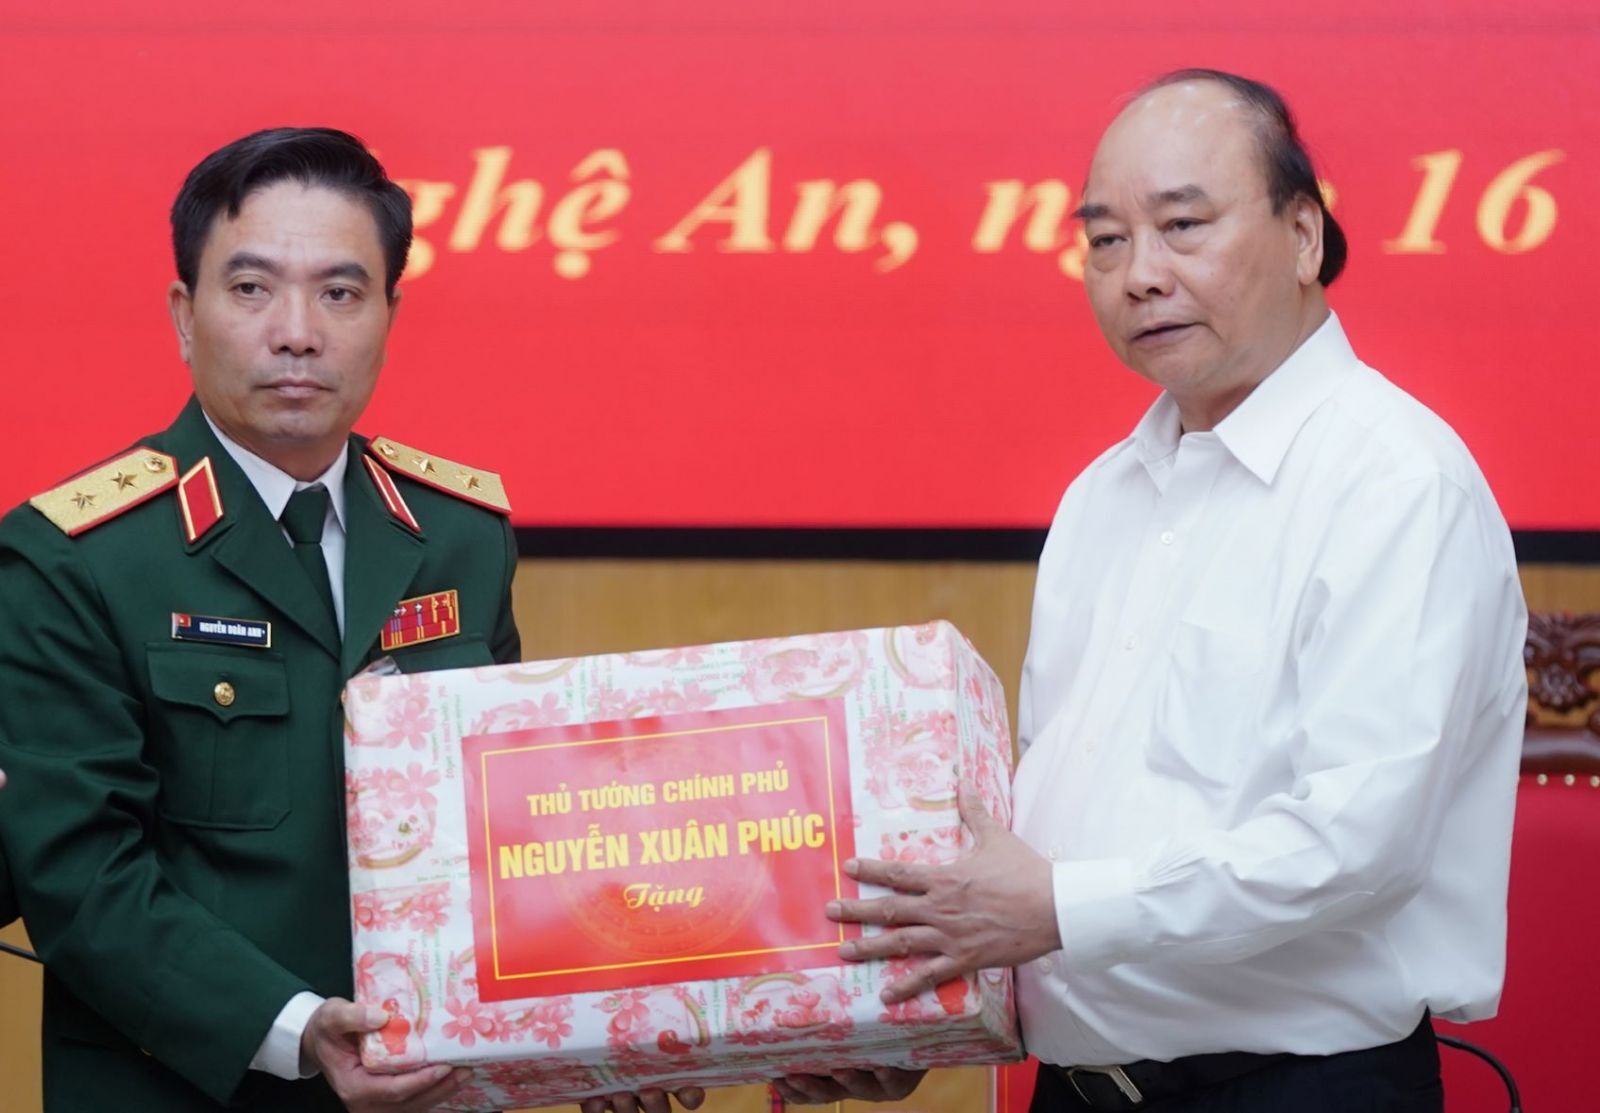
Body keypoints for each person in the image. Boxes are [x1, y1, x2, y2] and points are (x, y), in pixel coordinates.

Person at [789, 70, 1528, 1111]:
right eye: (1106, 240)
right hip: (1075, 1089)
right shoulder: (1103, 496)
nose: (1139, 274)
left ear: (1304, 236)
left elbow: (1357, 845)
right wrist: (917, 1016)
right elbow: (1048, 842)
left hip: (1295, 1092)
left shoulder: (1396, 481)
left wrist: (1056, 909)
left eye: (1183, 226)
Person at [0, 128, 523, 1112]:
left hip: (433, 1089)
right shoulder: (73, 556)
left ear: (390, 314)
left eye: (341, 292)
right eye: (251, 289)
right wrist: (295, 1029)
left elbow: (497, 834)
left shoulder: (461, 535)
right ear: (184, 315)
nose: (298, 332)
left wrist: (598, 1018)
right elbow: (77, 870)